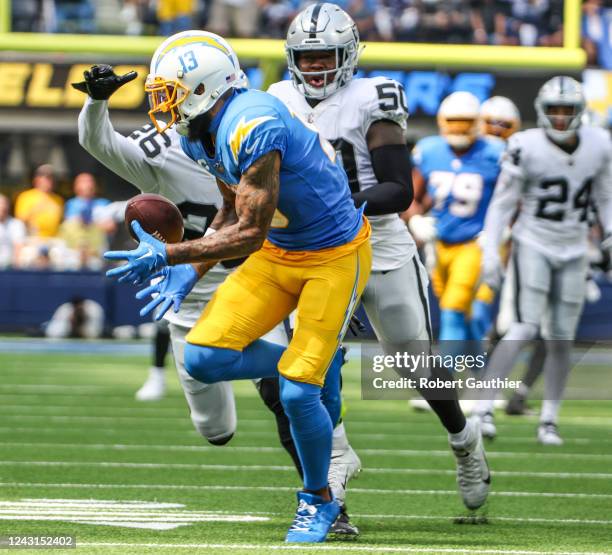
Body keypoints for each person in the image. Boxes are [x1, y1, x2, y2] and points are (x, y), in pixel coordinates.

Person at [103, 30, 372, 543]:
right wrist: (192, 271)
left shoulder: (253, 122)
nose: (163, 103)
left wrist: (173, 254)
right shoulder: (199, 134)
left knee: (295, 395)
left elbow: (251, 231)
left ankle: (317, 500)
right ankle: (316, 367)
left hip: (333, 257)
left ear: (202, 87)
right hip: (280, 254)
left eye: (170, 92)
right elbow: (231, 210)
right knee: (202, 358)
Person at [269, 1, 490, 522]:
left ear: (347, 56)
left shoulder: (373, 97)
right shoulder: (276, 99)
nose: (317, 67)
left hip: (380, 240)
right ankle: (335, 468)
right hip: (317, 249)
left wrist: (335, 203)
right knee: (309, 366)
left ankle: (464, 441)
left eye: (326, 57)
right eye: (307, 57)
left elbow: (398, 190)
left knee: (415, 360)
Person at [475, 76, 612, 445]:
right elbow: (502, 204)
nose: (562, 117)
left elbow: (605, 196)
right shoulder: (524, 145)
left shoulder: (600, 144)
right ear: (542, 110)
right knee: (522, 327)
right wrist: (490, 249)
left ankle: (549, 419)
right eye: (555, 110)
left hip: (575, 246)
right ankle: (483, 408)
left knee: (561, 339)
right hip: (532, 242)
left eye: (569, 110)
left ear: (581, 112)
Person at [409, 91, 504, 343]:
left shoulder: (494, 153)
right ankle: (479, 375)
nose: (458, 128)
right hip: (438, 243)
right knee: (463, 315)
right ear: (442, 121)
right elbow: (410, 195)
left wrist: (500, 231)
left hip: (474, 242)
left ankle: (445, 379)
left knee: (453, 308)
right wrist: (415, 219)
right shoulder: (429, 150)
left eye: (464, 121)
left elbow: (513, 196)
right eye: (453, 121)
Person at [15, 164, 64, 238]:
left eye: (51, 178)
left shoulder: (58, 200)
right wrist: (36, 209)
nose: (49, 181)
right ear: (36, 179)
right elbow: (19, 222)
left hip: (53, 239)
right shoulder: (26, 196)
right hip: (32, 238)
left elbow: (61, 223)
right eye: (46, 178)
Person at [0, 194, 27, 269]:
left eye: (4, 205)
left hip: (10, 267)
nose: (2, 208)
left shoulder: (16, 224)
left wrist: (16, 266)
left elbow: (19, 245)